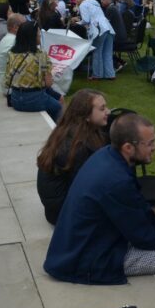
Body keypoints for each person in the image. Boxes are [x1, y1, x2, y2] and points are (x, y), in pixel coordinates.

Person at [44, 113, 155, 295]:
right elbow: (142, 237)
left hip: (88, 243)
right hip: (91, 258)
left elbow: (138, 205)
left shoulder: (108, 156)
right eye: (149, 143)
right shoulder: (116, 180)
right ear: (128, 147)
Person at [36, 89, 110, 225]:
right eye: (102, 109)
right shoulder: (78, 146)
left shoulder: (71, 130)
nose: (108, 112)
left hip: (56, 208)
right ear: (86, 116)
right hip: (63, 214)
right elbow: (88, 186)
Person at [4, 21, 63, 121]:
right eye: (39, 34)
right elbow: (48, 83)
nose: (40, 36)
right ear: (33, 37)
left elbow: (7, 80)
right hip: (33, 99)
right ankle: (59, 131)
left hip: (15, 98)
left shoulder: (12, 53)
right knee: (58, 107)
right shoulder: (41, 55)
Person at [76, 0, 115, 80]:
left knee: (97, 52)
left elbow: (86, 20)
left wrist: (77, 22)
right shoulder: (96, 4)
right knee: (107, 52)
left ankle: (97, 75)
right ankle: (110, 74)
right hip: (108, 28)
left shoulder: (83, 5)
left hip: (99, 29)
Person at [0, 13, 26, 95]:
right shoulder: (14, 41)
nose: (27, 28)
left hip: (7, 85)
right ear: (16, 27)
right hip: (11, 88)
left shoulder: (7, 38)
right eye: (24, 25)